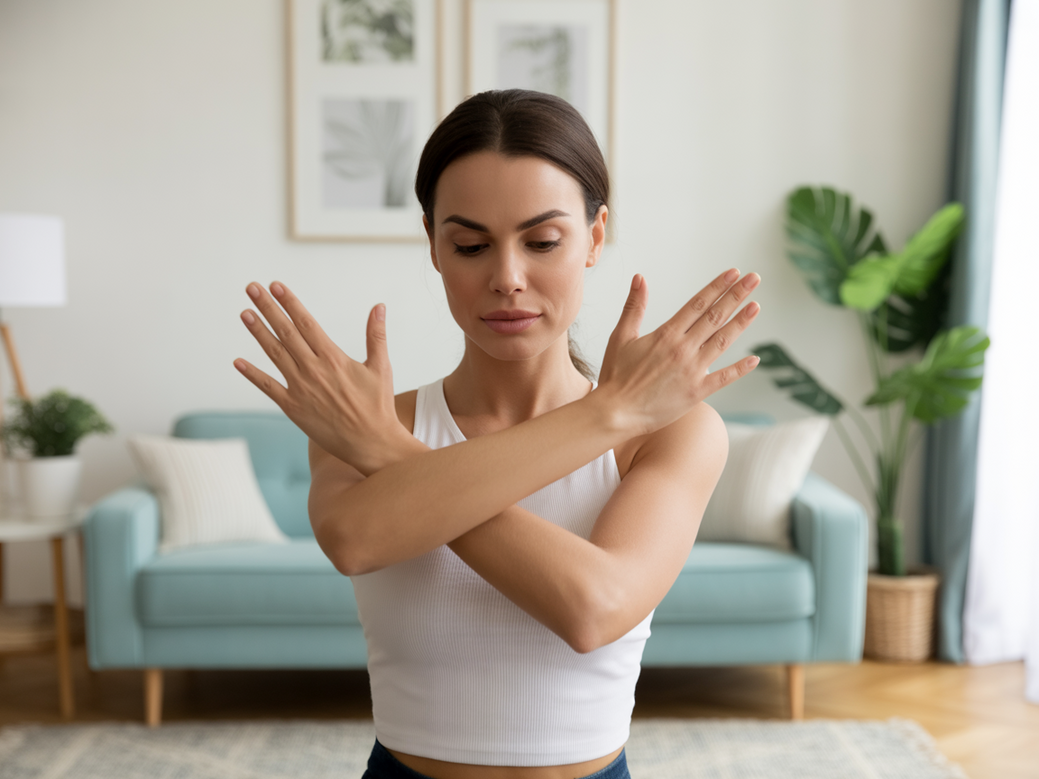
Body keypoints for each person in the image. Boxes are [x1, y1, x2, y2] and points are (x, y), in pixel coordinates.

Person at [234, 89, 761, 779]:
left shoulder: (667, 432)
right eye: (470, 244)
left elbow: (592, 609)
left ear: (594, 238)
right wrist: (606, 412)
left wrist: (392, 458)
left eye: (542, 241)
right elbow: (355, 540)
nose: (507, 278)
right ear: (432, 244)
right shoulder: (363, 419)